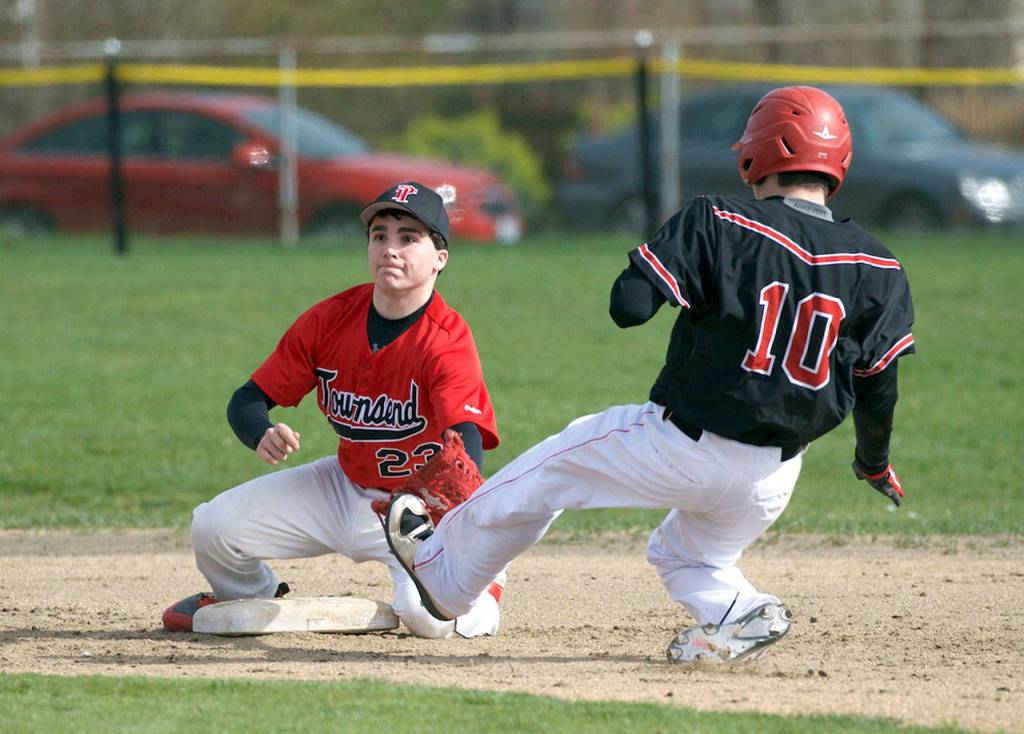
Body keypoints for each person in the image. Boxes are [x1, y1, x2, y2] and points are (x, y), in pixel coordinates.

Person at [384, 86, 915, 664]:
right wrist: (873, 463)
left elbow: (628, 307)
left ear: (754, 155)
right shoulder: (880, 265)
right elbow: (877, 386)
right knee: (686, 556)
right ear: (837, 163)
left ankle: (438, 572)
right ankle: (737, 611)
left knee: (548, 473)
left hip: (680, 446)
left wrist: (659, 263)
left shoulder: (718, 220)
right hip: (773, 478)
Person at [162, 181, 506, 639]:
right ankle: (251, 593)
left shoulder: (445, 340)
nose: (390, 248)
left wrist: (451, 521)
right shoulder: (332, 319)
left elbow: (467, 440)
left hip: (413, 510)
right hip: (342, 485)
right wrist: (260, 431)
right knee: (213, 526)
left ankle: (484, 587)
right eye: (379, 235)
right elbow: (247, 399)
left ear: (439, 258)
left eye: (408, 237)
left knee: (426, 621)